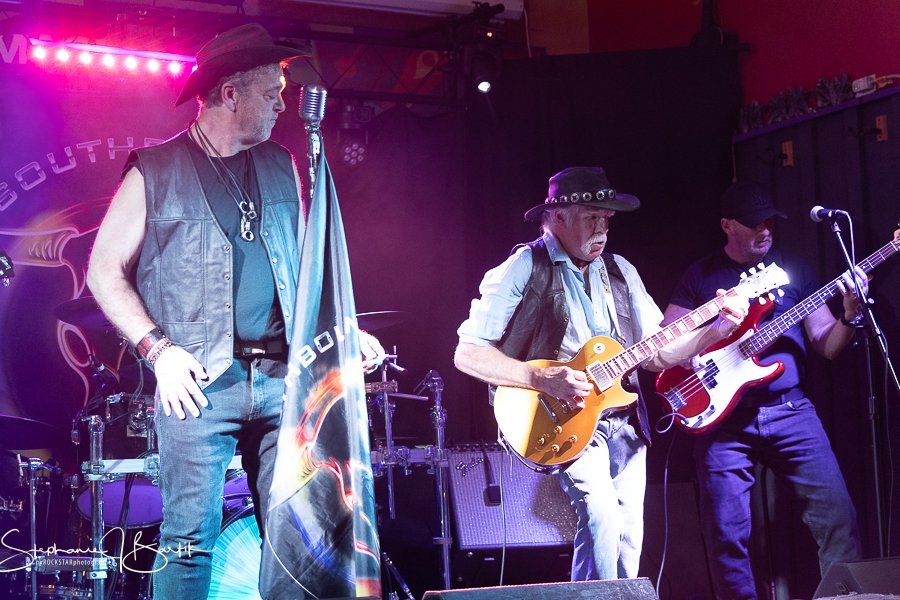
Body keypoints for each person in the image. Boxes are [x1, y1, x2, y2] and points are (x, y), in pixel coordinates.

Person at [86, 23, 382, 598]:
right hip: (200, 384)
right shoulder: (155, 169)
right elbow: (103, 271)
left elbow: (305, 267)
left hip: (281, 378)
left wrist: (343, 328)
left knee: (298, 538)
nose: (281, 106)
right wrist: (158, 352)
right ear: (230, 93)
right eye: (271, 93)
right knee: (187, 539)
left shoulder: (281, 163)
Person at [454, 166, 749, 580]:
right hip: (560, 418)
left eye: (607, 219)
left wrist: (716, 330)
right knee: (602, 517)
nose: (602, 229)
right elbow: (467, 354)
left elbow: (657, 353)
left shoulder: (620, 270)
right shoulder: (525, 265)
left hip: (622, 419)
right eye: (591, 217)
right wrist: (541, 378)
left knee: (629, 538)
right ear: (558, 217)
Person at [662, 181, 866, 599]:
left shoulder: (795, 269)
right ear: (727, 225)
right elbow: (665, 345)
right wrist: (717, 334)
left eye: (769, 222)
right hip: (725, 422)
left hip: (792, 412)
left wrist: (849, 315)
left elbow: (826, 344)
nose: (765, 231)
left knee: (838, 520)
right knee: (725, 536)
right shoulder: (701, 276)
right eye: (754, 224)